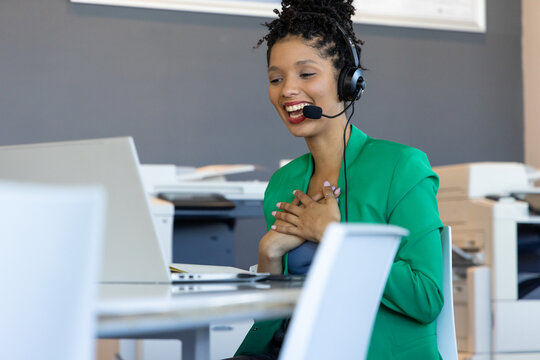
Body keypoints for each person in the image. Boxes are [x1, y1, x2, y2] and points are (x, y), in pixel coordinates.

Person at [229, 0, 444, 359]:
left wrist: (334, 236)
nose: (287, 91)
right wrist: (268, 256)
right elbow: (270, 319)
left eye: (306, 74)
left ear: (348, 81)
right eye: (275, 79)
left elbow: (426, 297)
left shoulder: (400, 167)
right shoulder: (284, 183)